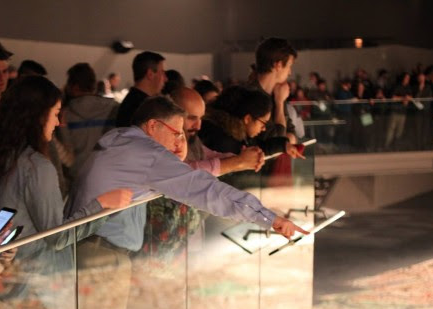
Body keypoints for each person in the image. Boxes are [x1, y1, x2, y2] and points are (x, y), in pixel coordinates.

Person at [70, 96, 307, 253]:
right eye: (176, 133)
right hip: (103, 250)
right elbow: (205, 190)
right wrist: (269, 218)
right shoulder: (148, 154)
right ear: (153, 126)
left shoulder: (122, 140)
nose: (178, 140)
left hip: (91, 243)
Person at [0, 75, 131, 242]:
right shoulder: (35, 165)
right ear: (39, 116)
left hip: (7, 259)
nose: (58, 123)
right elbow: (57, 236)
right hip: (35, 264)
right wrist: (101, 204)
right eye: (56, 114)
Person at [171, 87, 263, 176]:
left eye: (201, 118)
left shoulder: (192, 138)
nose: (198, 126)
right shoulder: (164, 143)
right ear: (173, 116)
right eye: (192, 118)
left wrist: (250, 157)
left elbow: (210, 156)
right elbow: (184, 172)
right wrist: (239, 161)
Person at [199, 86, 301, 163]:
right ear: (248, 118)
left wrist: (284, 145)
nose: (264, 129)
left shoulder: (237, 134)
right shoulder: (225, 141)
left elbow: (258, 147)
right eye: (263, 123)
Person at [56, 62, 119, 186]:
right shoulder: (114, 109)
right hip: (106, 177)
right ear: (93, 85)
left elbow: (64, 150)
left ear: (73, 86)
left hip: (75, 178)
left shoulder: (63, 115)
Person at [248, 37, 298, 144]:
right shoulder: (251, 96)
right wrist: (279, 103)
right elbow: (276, 142)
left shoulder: (277, 92)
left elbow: (292, 133)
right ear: (278, 65)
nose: (289, 72)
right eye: (289, 66)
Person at [115, 51, 167, 127]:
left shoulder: (132, 102)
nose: (166, 79)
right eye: (162, 72)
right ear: (150, 74)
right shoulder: (143, 108)